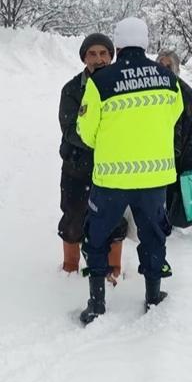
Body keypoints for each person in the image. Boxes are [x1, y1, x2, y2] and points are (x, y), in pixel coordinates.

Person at [76, 18, 183, 324]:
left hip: (112, 178)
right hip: (154, 178)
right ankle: (153, 295)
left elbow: (86, 131)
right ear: (146, 43)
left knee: (97, 237)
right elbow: (172, 117)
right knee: (153, 235)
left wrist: (113, 143)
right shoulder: (167, 78)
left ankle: (96, 303)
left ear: (118, 45)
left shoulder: (101, 81)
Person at [57, 33, 128, 281]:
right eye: (92, 54)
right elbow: (69, 129)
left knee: (114, 219)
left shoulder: (122, 86)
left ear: (111, 56)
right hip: (77, 167)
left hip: (113, 168)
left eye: (103, 53)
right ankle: (70, 267)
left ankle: (113, 269)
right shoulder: (72, 89)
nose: (98, 59)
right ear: (84, 58)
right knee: (73, 215)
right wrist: (103, 142)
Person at [156, 50, 192, 228]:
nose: (164, 69)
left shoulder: (185, 93)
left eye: (168, 66)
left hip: (182, 153)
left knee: (179, 193)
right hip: (159, 152)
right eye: (160, 65)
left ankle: (174, 220)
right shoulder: (152, 91)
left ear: (176, 69)